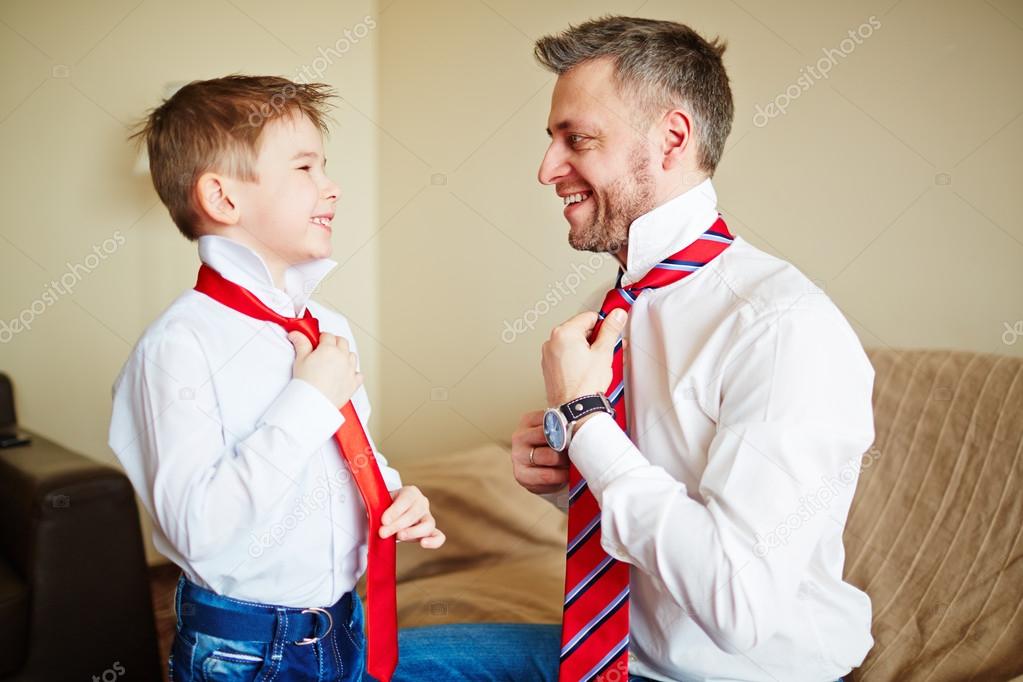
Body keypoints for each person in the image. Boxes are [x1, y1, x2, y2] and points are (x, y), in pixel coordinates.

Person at [398, 16, 871, 682]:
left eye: (577, 140)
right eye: (550, 140)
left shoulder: (781, 327)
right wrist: (572, 477)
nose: (545, 170)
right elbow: (657, 507)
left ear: (671, 138)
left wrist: (589, 418)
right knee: (356, 666)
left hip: (736, 673)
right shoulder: (620, 303)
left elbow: (737, 604)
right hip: (619, 656)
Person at [109, 75, 444, 682]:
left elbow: (342, 453)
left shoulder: (326, 325)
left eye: (325, 166)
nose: (332, 187)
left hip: (344, 626)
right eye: (304, 168)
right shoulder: (177, 347)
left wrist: (392, 494)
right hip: (246, 651)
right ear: (223, 198)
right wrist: (310, 397)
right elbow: (201, 530)